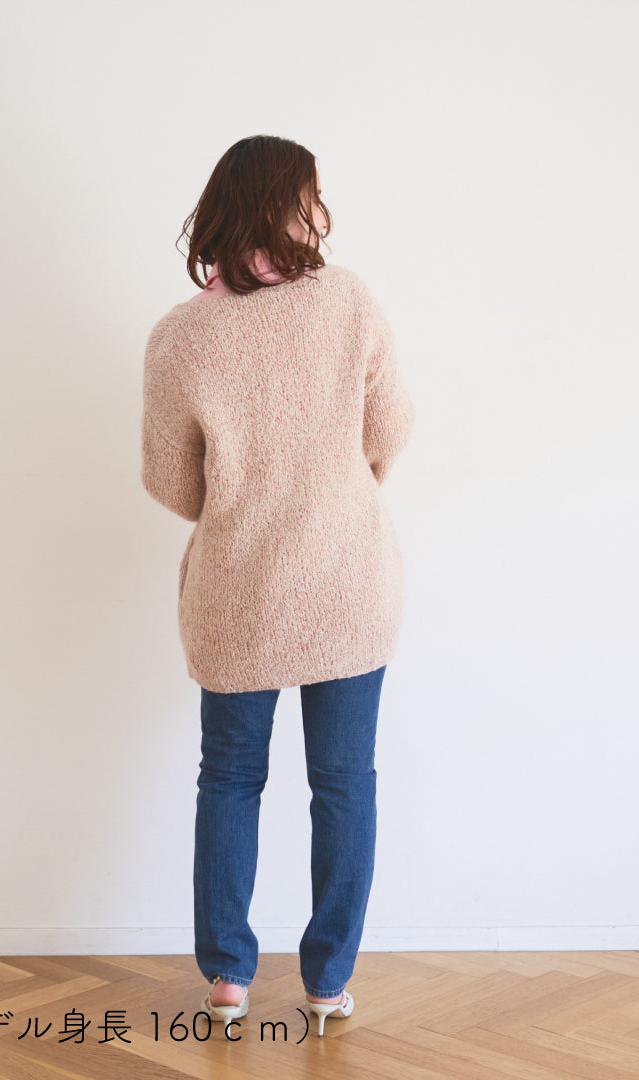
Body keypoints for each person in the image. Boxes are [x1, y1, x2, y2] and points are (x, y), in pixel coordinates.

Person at [140, 135, 415, 1036]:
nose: (320, 213)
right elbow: (391, 430)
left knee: (229, 778)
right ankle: (327, 982)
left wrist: (247, 499)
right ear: (281, 205)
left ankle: (227, 977)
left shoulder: (181, 336)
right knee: (344, 784)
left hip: (239, 596)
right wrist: (336, 491)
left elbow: (173, 486)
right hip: (349, 585)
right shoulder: (348, 301)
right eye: (310, 196)